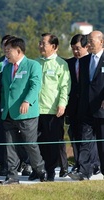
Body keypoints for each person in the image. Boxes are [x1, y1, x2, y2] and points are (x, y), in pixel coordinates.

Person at [0, 37, 46, 185]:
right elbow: (4, 91)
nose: (6, 53)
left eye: (8, 51)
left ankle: (39, 169)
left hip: (26, 113)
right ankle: (12, 176)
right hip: (8, 114)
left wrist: (27, 101)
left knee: (30, 144)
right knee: (10, 146)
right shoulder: (6, 68)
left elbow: (35, 85)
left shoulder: (33, 65)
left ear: (18, 51)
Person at [0, 35, 32, 177]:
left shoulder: (27, 64)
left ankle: (29, 164)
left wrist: (27, 101)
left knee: (24, 139)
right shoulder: (0, 64)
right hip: (4, 106)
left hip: (21, 108)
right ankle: (8, 168)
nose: (6, 50)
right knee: (5, 139)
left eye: (9, 48)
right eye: (4, 47)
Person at [68, 30, 104, 180]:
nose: (88, 43)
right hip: (85, 108)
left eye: (91, 40)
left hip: (101, 108)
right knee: (84, 140)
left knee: (102, 143)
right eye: (87, 40)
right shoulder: (84, 61)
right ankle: (84, 171)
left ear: (101, 42)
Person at [36, 33, 71, 181]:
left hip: (53, 111)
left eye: (44, 43)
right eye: (40, 42)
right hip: (36, 110)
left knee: (52, 143)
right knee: (37, 143)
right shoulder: (35, 63)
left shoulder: (61, 64)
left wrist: (62, 104)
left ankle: (50, 171)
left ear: (54, 47)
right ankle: (39, 169)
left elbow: (65, 86)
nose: (41, 46)